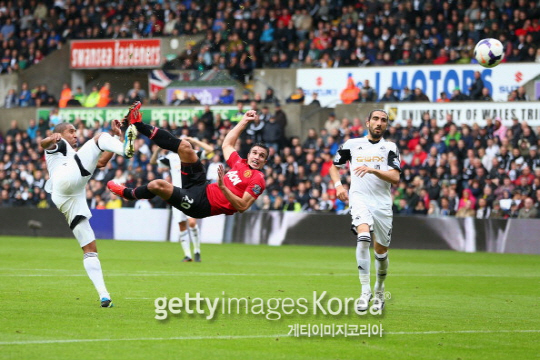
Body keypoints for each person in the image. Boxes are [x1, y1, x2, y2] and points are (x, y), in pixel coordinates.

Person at [108, 102, 268, 219]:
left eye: (261, 156)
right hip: (201, 185)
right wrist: (244, 121)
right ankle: (138, 125)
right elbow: (227, 144)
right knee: (185, 146)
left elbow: (242, 206)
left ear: (264, 162)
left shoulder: (258, 179)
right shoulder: (240, 163)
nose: (257, 157)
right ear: (249, 154)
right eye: (255, 153)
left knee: (158, 184)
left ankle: (128, 194)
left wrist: (223, 188)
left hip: (201, 205)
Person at [41, 116, 138, 308]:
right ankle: (125, 150)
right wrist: (50, 138)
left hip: (68, 196)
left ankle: (104, 295)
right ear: (60, 134)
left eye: (75, 131)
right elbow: (43, 144)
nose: (75, 134)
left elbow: (101, 162)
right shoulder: (59, 145)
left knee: (90, 250)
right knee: (100, 136)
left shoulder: (72, 154)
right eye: (71, 131)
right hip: (65, 179)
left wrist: (117, 139)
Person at [329, 109, 400, 313]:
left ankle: (379, 289)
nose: (379, 123)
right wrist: (338, 186)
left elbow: (395, 178)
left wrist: (373, 170)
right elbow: (334, 166)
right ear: (367, 122)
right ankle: (365, 291)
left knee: (381, 252)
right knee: (363, 238)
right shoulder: (352, 145)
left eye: (383, 120)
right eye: (375, 119)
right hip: (359, 199)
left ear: (386, 125)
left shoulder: (389, 147)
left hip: (382, 204)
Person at [150, 137, 215, 262]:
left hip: (192, 192)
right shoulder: (171, 158)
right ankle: (188, 255)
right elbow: (153, 162)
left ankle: (197, 251)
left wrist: (195, 141)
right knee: (181, 225)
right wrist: (158, 148)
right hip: (176, 194)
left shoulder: (193, 154)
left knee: (192, 222)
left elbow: (210, 150)